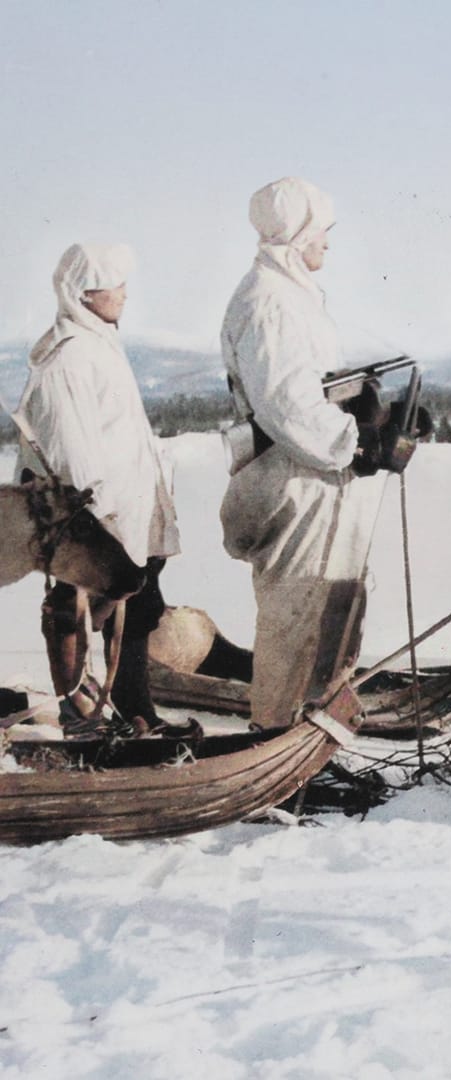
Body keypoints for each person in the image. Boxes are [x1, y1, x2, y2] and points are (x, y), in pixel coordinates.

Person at [219, 177, 409, 729]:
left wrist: (370, 411)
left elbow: (311, 389)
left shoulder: (291, 292)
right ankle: (275, 742)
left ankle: (314, 745)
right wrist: (359, 443)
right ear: (299, 231)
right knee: (296, 614)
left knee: (333, 611)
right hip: (295, 477)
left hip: (317, 474)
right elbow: (286, 404)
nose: (327, 239)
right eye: (321, 228)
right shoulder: (269, 300)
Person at [13, 243, 179, 735]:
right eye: (115, 284)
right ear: (85, 294)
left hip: (125, 511)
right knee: (77, 615)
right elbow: (70, 451)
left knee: (138, 610)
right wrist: (97, 525)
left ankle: (136, 711)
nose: (125, 294)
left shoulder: (98, 343)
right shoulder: (69, 358)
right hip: (96, 522)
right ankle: (84, 721)